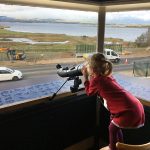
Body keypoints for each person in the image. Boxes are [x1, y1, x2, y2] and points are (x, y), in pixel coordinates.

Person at [81, 53, 145, 150]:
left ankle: (112, 148)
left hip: (129, 111)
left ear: (93, 69)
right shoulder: (107, 77)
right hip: (134, 106)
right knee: (114, 124)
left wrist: (85, 77)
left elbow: (89, 92)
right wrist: (91, 76)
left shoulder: (97, 81)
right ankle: (120, 145)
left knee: (112, 127)